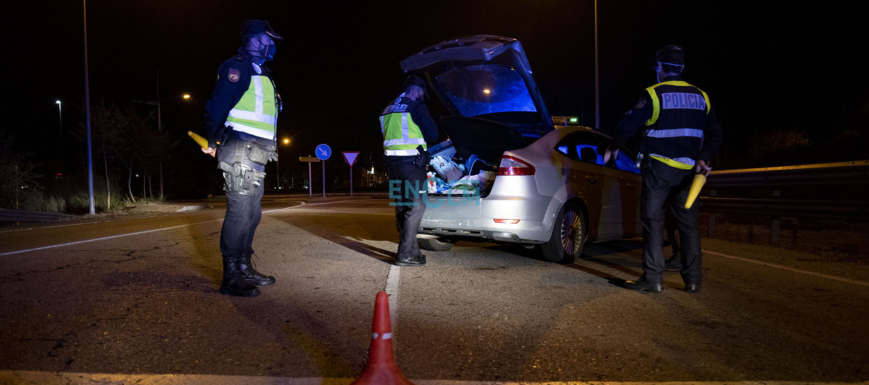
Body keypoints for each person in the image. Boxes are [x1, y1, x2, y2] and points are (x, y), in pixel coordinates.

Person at [603, 45, 722, 293]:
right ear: (682, 68)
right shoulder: (701, 96)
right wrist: (704, 158)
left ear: (659, 67)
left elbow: (628, 126)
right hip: (689, 172)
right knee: (688, 225)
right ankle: (692, 280)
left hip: (659, 169)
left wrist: (614, 147)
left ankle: (653, 279)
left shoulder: (654, 94)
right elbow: (715, 133)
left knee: (652, 220)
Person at [201, 20, 283, 297]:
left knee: (252, 212)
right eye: (269, 39)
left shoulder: (263, 72)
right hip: (240, 147)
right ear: (256, 39)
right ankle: (231, 276)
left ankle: (244, 266)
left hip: (257, 150)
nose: (272, 44)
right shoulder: (238, 67)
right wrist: (212, 140)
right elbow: (217, 104)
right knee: (240, 211)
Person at [381, 75, 439, 266]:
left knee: (403, 207)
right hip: (412, 166)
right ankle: (405, 253)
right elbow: (433, 133)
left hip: (392, 167)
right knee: (416, 207)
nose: (422, 97)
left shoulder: (387, 109)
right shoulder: (416, 106)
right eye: (422, 93)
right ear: (415, 91)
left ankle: (413, 250)